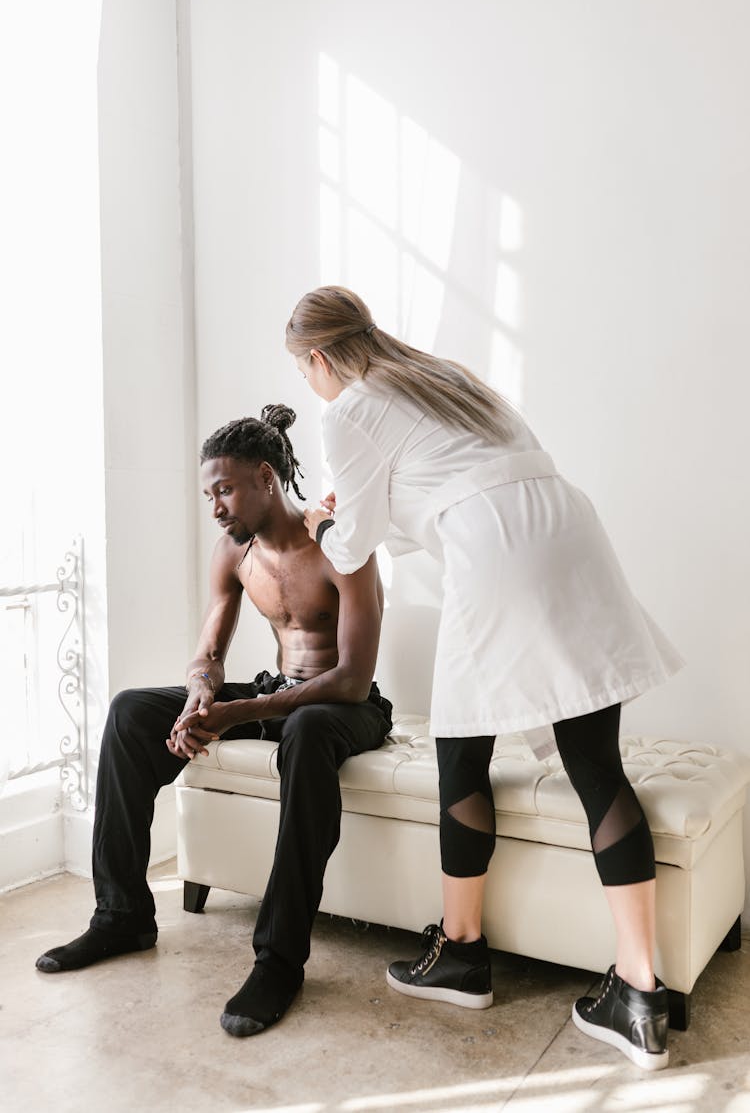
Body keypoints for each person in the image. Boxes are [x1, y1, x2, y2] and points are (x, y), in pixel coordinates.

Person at [286, 285, 683, 1072]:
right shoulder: (447, 378)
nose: (310, 386)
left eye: (304, 371)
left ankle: (462, 952)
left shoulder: (348, 408)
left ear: (320, 358)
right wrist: (358, 515)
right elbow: (443, 492)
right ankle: (641, 993)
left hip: (497, 550)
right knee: (595, 761)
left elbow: (348, 551)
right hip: (566, 527)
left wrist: (325, 521)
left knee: (459, 751)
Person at [35, 404, 392, 1038]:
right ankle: (121, 916)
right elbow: (208, 651)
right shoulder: (233, 552)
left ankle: (279, 961)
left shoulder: (339, 544)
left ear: (265, 477)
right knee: (129, 712)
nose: (216, 507)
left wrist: (237, 712)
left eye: (224, 490)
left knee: (308, 732)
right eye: (209, 494)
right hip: (275, 692)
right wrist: (200, 698)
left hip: (344, 707)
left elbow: (354, 678)